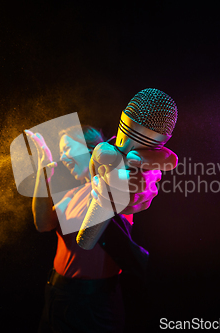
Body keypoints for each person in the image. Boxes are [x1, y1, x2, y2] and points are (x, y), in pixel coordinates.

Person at [26, 124, 177, 333]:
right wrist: (43, 172)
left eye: (67, 151)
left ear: (90, 150)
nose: (63, 159)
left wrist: (136, 170)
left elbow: (129, 185)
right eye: (61, 153)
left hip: (93, 305)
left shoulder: (113, 187)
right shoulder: (73, 194)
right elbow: (43, 223)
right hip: (56, 296)